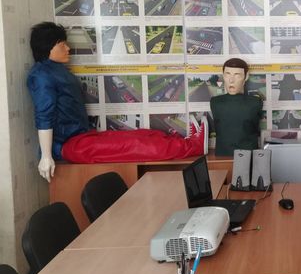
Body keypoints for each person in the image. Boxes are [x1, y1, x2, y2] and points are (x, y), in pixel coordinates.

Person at [27, 22, 208, 182]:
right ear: (48, 47)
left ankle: (186, 141)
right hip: (69, 146)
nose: (68, 48)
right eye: (62, 44)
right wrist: (46, 156)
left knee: (141, 135)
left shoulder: (56, 70)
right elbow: (44, 116)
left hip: (81, 137)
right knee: (135, 145)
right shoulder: (41, 76)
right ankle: (192, 147)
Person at [210, 58, 262, 156]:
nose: (231, 80)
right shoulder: (215, 102)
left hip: (248, 156)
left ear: (246, 76)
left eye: (237, 75)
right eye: (227, 74)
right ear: (223, 75)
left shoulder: (255, 102)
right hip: (222, 156)